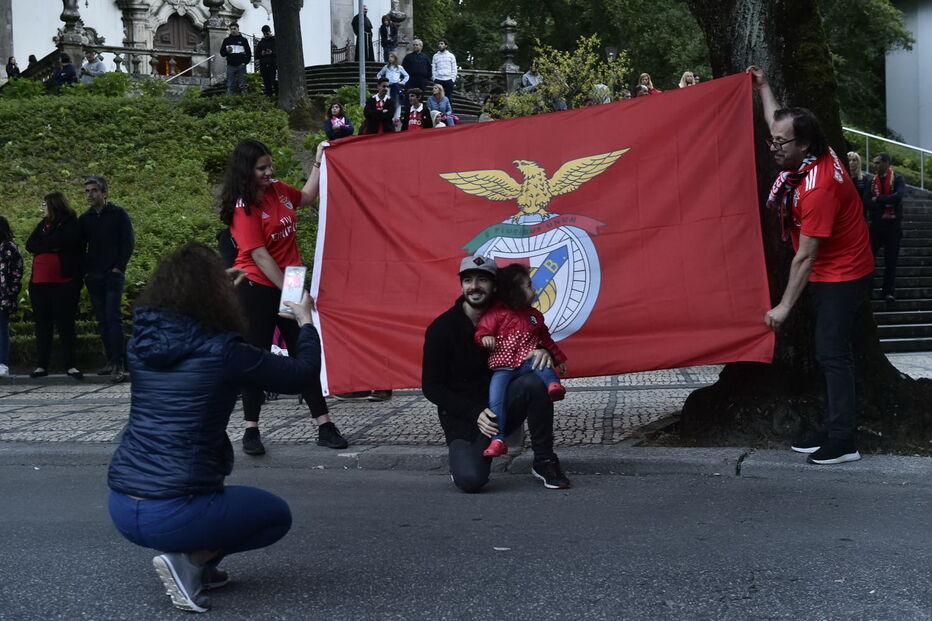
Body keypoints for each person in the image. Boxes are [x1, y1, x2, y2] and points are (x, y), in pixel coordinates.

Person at [107, 242, 313, 614]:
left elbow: (185, 335)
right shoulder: (224, 351)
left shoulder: (139, 344)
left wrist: (214, 297)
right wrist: (305, 321)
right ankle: (192, 562)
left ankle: (195, 564)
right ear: (214, 296)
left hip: (122, 503)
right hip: (172, 511)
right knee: (275, 515)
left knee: (217, 496)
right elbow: (300, 375)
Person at [749, 66, 874, 466]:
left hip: (843, 274)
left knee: (833, 355)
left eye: (780, 143)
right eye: (773, 140)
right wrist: (765, 87)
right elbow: (777, 121)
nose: (773, 146)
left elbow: (806, 255)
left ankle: (843, 440)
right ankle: (834, 426)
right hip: (830, 271)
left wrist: (784, 306)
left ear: (802, 144)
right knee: (826, 353)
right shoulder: (809, 156)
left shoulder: (817, 187)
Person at [219, 139, 348, 454]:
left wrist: (319, 161)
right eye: (262, 168)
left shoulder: (278, 189)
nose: (269, 172)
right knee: (256, 355)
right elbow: (260, 256)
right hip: (257, 285)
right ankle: (251, 429)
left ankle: (324, 424)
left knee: (304, 353)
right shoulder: (243, 207)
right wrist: (294, 294)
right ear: (246, 171)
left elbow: (306, 197)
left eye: (270, 165)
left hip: (289, 280)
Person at [422, 255, 571, 491]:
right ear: (461, 285)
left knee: (536, 377)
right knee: (471, 481)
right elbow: (431, 387)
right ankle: (470, 456)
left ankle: (544, 460)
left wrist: (541, 351)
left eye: (482, 280)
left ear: (495, 286)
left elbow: (532, 338)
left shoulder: (512, 316)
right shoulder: (442, 329)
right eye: (468, 280)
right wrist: (473, 412)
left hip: (504, 404)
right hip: (465, 419)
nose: (474, 287)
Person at [475, 263, 567, 458]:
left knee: (541, 362)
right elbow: (483, 329)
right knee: (496, 400)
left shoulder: (534, 316)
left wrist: (558, 357)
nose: (534, 290)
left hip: (526, 362)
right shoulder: (496, 313)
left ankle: (553, 385)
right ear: (513, 292)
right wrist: (484, 338)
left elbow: (546, 339)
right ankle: (498, 439)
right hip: (502, 367)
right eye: (528, 286)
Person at [80, 175, 135, 383]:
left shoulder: (118, 214)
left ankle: (119, 363)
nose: (90, 195)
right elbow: (80, 247)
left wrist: (119, 267)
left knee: (113, 318)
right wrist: (85, 271)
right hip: (93, 276)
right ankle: (110, 360)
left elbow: (127, 242)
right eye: (87, 191)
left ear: (104, 192)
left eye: (94, 190)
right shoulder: (86, 219)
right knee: (103, 320)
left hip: (112, 274)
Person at [25, 192, 83, 380]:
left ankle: (71, 364)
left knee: (65, 324)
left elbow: (64, 242)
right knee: (42, 324)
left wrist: (47, 244)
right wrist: (50, 247)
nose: (43, 208)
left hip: (64, 283)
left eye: (45, 205)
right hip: (40, 283)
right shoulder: (43, 225)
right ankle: (41, 365)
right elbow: (30, 244)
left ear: (54, 206)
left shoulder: (71, 223)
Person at [867, 152, 905, 302]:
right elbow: (867, 201)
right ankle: (868, 289)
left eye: (877, 163)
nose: (874, 166)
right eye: (874, 163)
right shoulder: (871, 181)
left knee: (891, 261)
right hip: (876, 226)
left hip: (892, 227)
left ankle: (888, 292)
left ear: (886, 163)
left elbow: (899, 195)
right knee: (869, 259)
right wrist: (884, 204)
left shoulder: (898, 179)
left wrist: (880, 199)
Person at [0, 216, 24, 378]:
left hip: (3, 297)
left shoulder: (8, 247)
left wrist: (10, 292)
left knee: (1, 330)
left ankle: (2, 364)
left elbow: (17, 272)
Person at [376, 52, 408, 127]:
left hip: (396, 86)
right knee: (388, 101)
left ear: (395, 58)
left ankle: (397, 117)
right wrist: (382, 81)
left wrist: (402, 82)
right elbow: (379, 74)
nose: (390, 58)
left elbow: (407, 76)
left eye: (392, 57)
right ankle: (389, 115)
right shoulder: (386, 67)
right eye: (389, 57)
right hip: (388, 86)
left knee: (398, 102)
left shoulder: (399, 68)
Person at [220, 22, 251, 96]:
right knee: (230, 85)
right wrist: (226, 52)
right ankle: (231, 102)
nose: (233, 30)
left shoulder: (244, 40)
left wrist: (245, 62)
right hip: (230, 65)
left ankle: (245, 101)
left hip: (241, 65)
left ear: (238, 29)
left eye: (234, 29)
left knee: (243, 85)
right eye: (231, 29)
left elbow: (248, 52)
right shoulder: (226, 40)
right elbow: (222, 53)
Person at [846, 151, 872, 216]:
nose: (851, 162)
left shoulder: (864, 179)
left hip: (860, 211)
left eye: (854, 160)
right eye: (849, 160)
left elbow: (866, 199)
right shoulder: (842, 177)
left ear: (858, 162)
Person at [431, 38, 457, 104]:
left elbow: (454, 68)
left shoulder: (451, 56)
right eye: (439, 44)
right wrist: (435, 79)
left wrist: (452, 79)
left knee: (448, 98)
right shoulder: (435, 56)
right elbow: (434, 68)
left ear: (446, 45)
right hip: (438, 79)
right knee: (437, 97)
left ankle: (448, 113)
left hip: (448, 79)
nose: (440, 45)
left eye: (442, 44)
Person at [256, 25, 277, 98]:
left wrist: (272, 52)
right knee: (267, 83)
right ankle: (269, 97)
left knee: (275, 82)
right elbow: (256, 55)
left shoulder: (275, 41)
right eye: (264, 34)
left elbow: (280, 52)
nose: (266, 35)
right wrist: (262, 53)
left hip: (274, 65)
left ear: (270, 32)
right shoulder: (261, 43)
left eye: (267, 33)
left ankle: (277, 96)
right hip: (264, 65)